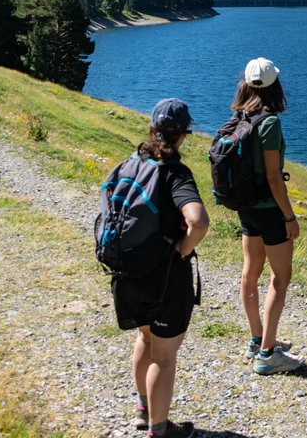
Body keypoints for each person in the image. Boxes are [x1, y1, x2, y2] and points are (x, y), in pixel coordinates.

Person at [111, 98, 209, 438]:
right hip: (165, 277)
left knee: (145, 337)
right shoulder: (175, 174)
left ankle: (143, 409)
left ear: (152, 128)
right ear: (183, 135)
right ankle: (160, 429)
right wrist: (182, 248)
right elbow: (198, 221)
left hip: (128, 271)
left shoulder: (131, 163)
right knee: (164, 357)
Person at [232, 57, 304, 374]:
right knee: (280, 277)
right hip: (269, 210)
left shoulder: (239, 117)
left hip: (246, 207)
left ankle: (256, 339)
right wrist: (289, 217)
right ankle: (267, 353)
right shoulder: (269, 122)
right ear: (275, 86)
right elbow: (274, 178)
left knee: (250, 273)